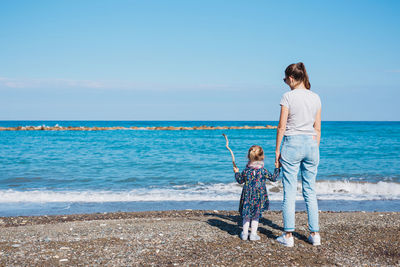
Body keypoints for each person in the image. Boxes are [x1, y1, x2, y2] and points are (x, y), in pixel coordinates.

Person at [275, 62, 322, 247]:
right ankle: (314, 234)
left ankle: (288, 236)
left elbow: (281, 126)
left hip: (292, 144)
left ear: (292, 78)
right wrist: (314, 146)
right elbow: (317, 128)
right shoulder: (316, 97)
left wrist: (277, 150)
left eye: (285, 79)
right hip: (311, 144)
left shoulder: (288, 97)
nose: (285, 82)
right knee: (310, 190)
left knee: (289, 190)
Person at [233, 145, 280, 241]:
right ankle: (253, 234)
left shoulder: (246, 171)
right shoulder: (263, 170)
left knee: (246, 215)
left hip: (247, 195)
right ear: (262, 157)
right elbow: (274, 178)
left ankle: (245, 234)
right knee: (255, 215)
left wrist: (236, 172)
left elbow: (240, 180)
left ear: (248, 157)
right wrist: (277, 168)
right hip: (259, 195)